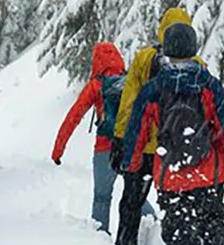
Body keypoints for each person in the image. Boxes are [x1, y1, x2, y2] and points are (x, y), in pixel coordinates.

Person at [120, 22, 224, 245]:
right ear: (194, 48)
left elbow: (137, 132)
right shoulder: (209, 86)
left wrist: (131, 165)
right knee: (213, 225)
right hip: (208, 175)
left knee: (178, 233)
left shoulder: (154, 89)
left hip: (171, 177)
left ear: (165, 49)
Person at [111, 8, 203, 245]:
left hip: (143, 148)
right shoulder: (198, 65)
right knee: (180, 206)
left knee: (131, 200)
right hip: (177, 151)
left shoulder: (143, 58)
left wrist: (120, 139)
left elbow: (129, 102)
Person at [51, 41, 153, 234]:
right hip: (129, 147)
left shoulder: (96, 86)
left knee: (102, 197)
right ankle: (153, 229)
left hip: (104, 149)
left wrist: (58, 151)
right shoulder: (129, 81)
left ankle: (101, 243)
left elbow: (73, 117)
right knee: (135, 194)